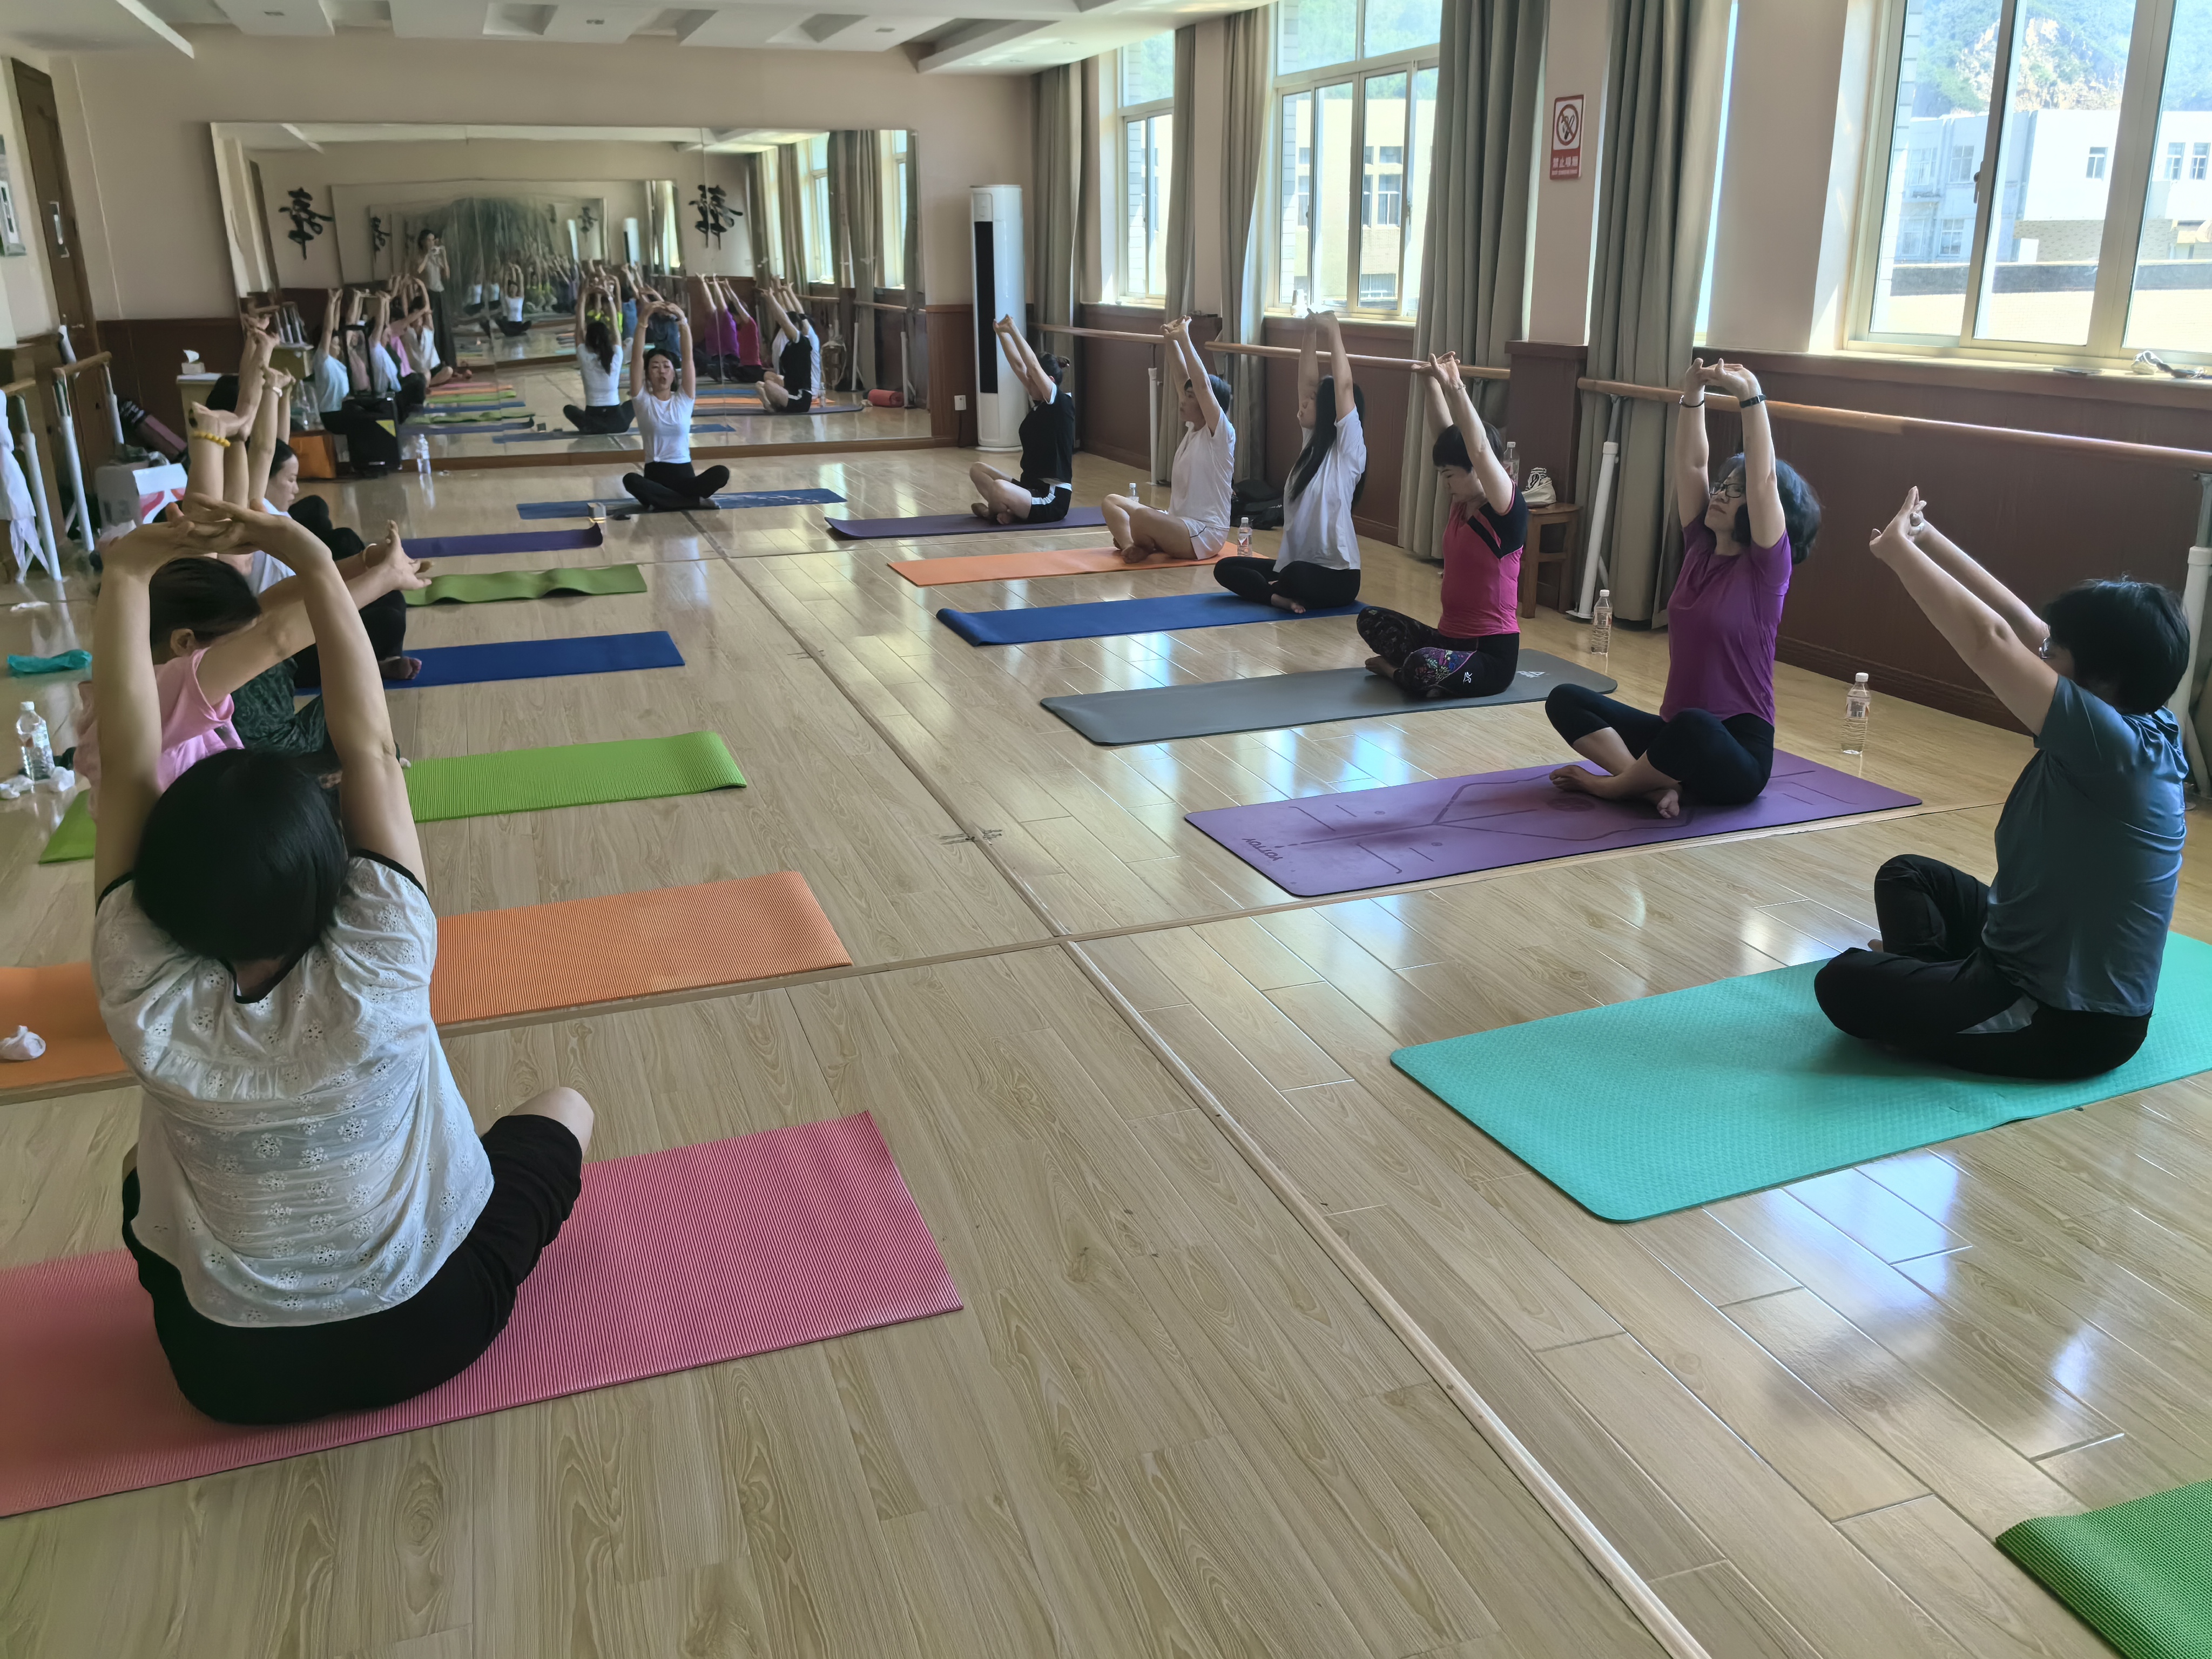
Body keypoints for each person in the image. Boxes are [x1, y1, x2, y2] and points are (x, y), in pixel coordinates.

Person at [87, 500, 592, 1426]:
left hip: (225, 1376)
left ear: (158, 895)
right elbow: (372, 751)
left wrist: (124, 574)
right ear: (331, 867)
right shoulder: (381, 953)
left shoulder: (141, 990)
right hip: (429, 1331)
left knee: (137, 1162)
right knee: (567, 1108)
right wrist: (316, 562)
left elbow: (124, 767)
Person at [1811, 490, 2188, 1080]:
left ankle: (1933, 1007)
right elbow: (2021, 627)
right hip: (2022, 954)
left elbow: (1991, 641)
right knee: (1908, 875)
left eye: (2054, 654)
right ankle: (1934, 1000)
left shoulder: (2112, 750)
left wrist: (1899, 554)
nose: (2040, 659)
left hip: (2065, 1020)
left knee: (1841, 982)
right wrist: (1928, 539)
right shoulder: (2147, 716)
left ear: (2104, 678)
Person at [1543, 358, 1821, 818]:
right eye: (1722, 485)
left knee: (1695, 725)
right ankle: (1650, 788)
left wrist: (1750, 394)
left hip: (1733, 753)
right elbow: (1692, 464)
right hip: (1674, 738)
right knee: (1566, 698)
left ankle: (1616, 788)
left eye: (1734, 491)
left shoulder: (1767, 570)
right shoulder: (1699, 548)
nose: (1720, 493)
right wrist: (1692, 392)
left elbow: (1765, 480)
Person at [73, 505, 428, 808]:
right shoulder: (155, 693)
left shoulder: (136, 674)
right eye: (235, 643)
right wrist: (377, 577)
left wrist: (366, 563)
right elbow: (277, 637)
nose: (245, 651)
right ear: (185, 643)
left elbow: (269, 607)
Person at [1356, 352, 1527, 699]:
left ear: (1478, 470)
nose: (1446, 484)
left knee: (1422, 666)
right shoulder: (1462, 503)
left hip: (1490, 657)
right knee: (1370, 618)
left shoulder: (1505, 510)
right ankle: (1422, 671)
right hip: (1448, 640)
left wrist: (1455, 386)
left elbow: (1479, 449)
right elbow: (1446, 436)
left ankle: (1399, 673)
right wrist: (1429, 382)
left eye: (1449, 475)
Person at [1215, 310, 1365, 612]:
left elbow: (1344, 387)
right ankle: (1277, 597)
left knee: (1294, 575)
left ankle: (1278, 589)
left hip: (1338, 575)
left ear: (1329, 410)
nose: (1303, 404)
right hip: (1297, 564)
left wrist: (1333, 331)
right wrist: (1309, 332)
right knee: (1226, 568)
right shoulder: (1312, 444)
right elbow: (1307, 382)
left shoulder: (1349, 451)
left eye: (1312, 400)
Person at [1102, 315, 1234, 564]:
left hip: (1204, 533)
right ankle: (1133, 546)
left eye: (1190, 397)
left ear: (1208, 404)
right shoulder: (1193, 429)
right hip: (1176, 522)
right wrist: (1170, 339)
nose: (1183, 400)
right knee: (1112, 502)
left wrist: (1185, 338)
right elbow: (1181, 375)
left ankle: (1144, 541)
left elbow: (1203, 386)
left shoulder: (1221, 435)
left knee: (1141, 517)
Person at [619, 301, 729, 512]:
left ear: (673, 374)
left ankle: (668, 501)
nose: (661, 371)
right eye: (655, 367)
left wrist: (683, 321)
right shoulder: (642, 400)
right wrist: (643, 319)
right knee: (631, 480)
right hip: (656, 478)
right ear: (648, 375)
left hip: (685, 478)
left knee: (722, 473)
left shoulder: (684, 399)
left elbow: (688, 360)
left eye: (666, 366)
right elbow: (636, 359)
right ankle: (692, 502)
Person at [968, 316, 1075, 524]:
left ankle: (993, 512)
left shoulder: (1061, 404)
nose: (1028, 381)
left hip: (1051, 497)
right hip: (1028, 489)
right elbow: (1019, 365)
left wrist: (1014, 330)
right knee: (978, 470)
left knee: (999, 488)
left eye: (1032, 380)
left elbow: (1033, 367)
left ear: (1049, 381)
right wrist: (1001, 334)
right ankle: (1006, 509)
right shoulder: (1040, 403)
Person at [563, 276, 632, 433]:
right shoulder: (616, 356)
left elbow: (579, 326)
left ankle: (593, 427)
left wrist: (583, 296)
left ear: (588, 340)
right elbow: (615, 326)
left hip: (592, 419)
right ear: (608, 339)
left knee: (569, 409)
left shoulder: (585, 357)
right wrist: (609, 297)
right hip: (618, 422)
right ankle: (604, 426)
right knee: (632, 404)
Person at [754, 285, 815, 414]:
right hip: (790, 391)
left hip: (801, 399)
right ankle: (775, 404)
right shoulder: (789, 346)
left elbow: (783, 320)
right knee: (762, 383)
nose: (784, 330)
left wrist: (771, 298)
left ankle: (772, 405)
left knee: (768, 385)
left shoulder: (802, 342)